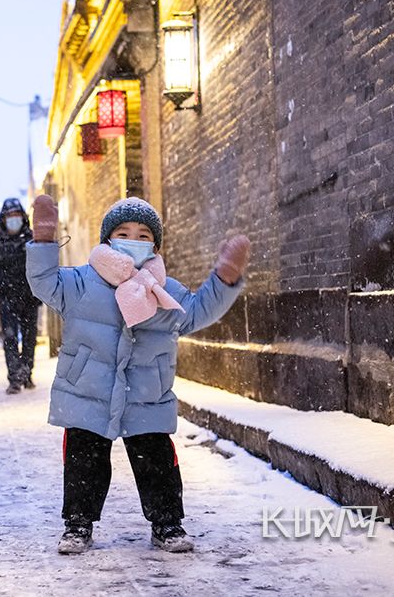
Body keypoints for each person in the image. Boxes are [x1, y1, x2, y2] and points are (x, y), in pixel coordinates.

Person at [26, 195, 250, 555]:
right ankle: (78, 524)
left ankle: (167, 523)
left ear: (156, 246)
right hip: (88, 390)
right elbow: (43, 282)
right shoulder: (81, 283)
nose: (134, 240)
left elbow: (197, 312)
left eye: (144, 235)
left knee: (157, 462)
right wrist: (43, 242)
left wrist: (224, 279)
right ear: (107, 240)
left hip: (147, 392)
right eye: (124, 232)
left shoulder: (165, 291)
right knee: (84, 460)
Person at [0, 198, 42, 394]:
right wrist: (2, 280)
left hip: (29, 296)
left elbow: (42, 263)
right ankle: (15, 377)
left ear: (22, 217)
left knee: (29, 336)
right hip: (7, 296)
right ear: (3, 219)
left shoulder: (32, 241)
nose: (13, 220)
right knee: (9, 337)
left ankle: (27, 371)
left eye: (16, 216)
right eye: (10, 217)